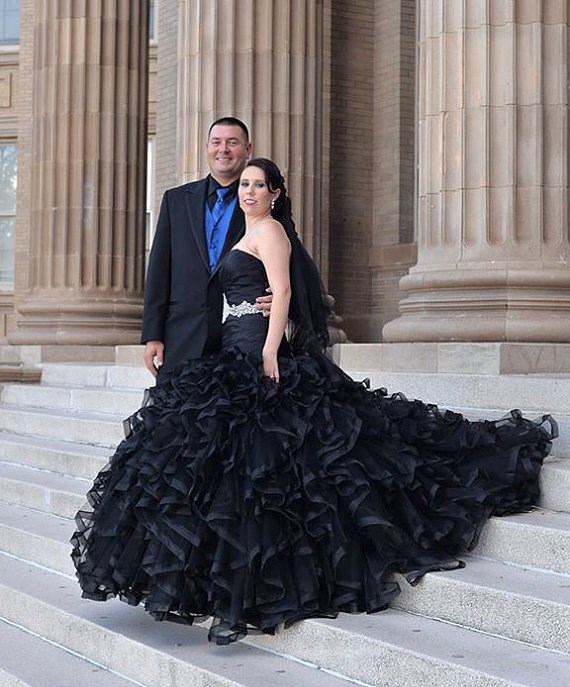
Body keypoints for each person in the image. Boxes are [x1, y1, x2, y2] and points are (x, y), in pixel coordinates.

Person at [71, 158, 557, 645]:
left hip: (258, 356)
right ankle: (210, 583)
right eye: (245, 184)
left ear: (276, 193)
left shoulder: (272, 234)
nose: (249, 191)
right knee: (217, 468)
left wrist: (268, 349)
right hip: (230, 354)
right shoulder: (250, 230)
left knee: (270, 469)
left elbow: (281, 291)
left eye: (260, 185)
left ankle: (255, 583)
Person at [141, 117, 272, 382]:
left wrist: (281, 299)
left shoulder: (264, 203)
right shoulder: (175, 200)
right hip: (182, 336)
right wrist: (152, 334)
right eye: (217, 142)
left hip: (240, 339)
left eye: (232, 143)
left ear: (248, 150)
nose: (223, 149)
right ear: (207, 148)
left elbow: (291, 264)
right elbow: (158, 270)